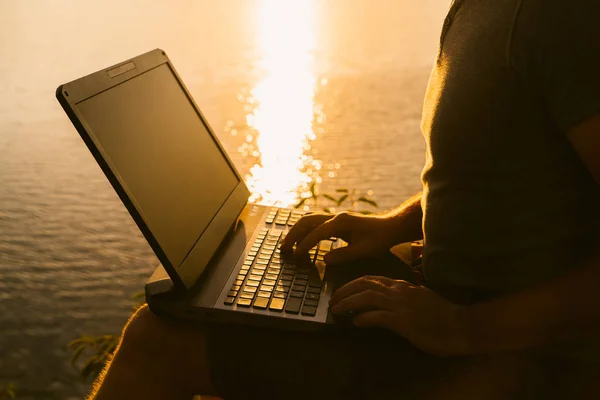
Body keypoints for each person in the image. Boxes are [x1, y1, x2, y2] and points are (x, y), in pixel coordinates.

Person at [89, 0, 600, 398]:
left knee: (158, 343)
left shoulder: (560, 16)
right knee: (238, 316)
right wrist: (399, 224)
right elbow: (506, 168)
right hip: (451, 321)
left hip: (509, 361)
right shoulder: (482, 10)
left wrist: (465, 329)